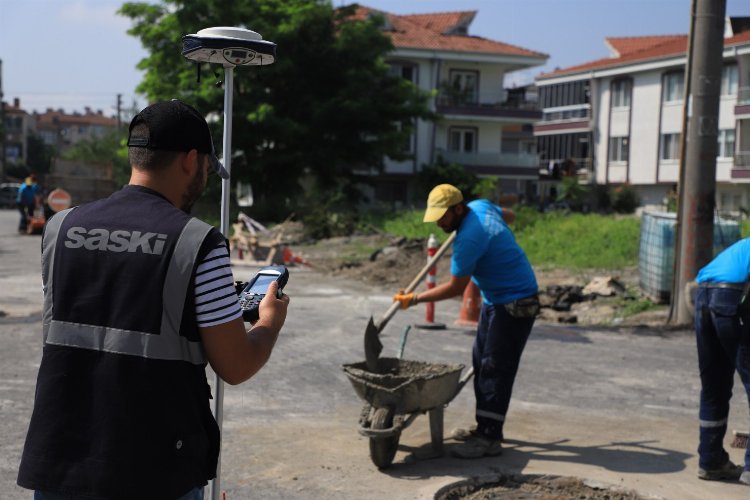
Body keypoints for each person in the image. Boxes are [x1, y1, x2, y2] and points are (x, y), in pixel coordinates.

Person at [17, 100, 290, 499]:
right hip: (155, 471)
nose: (205, 179)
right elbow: (236, 365)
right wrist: (268, 323)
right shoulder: (199, 242)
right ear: (190, 160)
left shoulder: (60, 227)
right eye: (206, 170)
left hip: (61, 464)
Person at [393, 184, 538, 459]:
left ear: (459, 208)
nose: (439, 222)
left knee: (495, 368)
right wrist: (496, 237)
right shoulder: (481, 207)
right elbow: (510, 216)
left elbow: (455, 289)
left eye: (443, 216)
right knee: (480, 361)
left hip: (516, 302)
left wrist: (413, 299)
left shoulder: (469, 238)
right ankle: (485, 426)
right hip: (497, 299)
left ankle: (489, 438)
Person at [693, 239, 750, 485]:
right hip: (733, 296)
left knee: (714, 386)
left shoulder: (744, 245)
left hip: (703, 295)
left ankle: (711, 461)